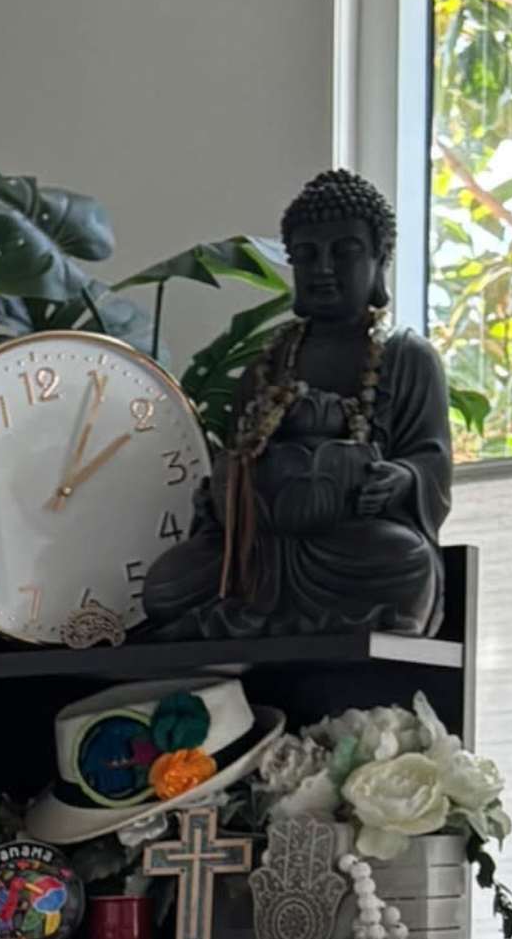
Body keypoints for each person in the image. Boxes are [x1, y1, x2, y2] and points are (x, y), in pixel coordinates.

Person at [142, 167, 453, 638]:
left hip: (349, 544)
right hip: (258, 547)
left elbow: (432, 459)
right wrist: (221, 495)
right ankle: (263, 615)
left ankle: (261, 622)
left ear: (379, 260)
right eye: (307, 255)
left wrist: (403, 479)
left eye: (343, 252)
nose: (323, 268)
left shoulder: (407, 356)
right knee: (165, 587)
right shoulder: (268, 361)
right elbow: (240, 456)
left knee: (407, 562)